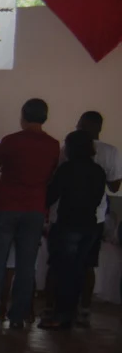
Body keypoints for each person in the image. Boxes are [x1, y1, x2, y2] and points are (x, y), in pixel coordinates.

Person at [0, 100, 51, 329]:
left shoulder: (11, 141)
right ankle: (18, 317)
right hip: (35, 208)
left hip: (7, 206)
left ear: (23, 116)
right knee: (27, 266)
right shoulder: (53, 145)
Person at [40, 130, 109, 329]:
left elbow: (51, 196)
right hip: (90, 225)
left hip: (68, 224)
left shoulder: (67, 169)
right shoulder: (98, 171)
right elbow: (97, 199)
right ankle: (73, 313)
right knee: (79, 270)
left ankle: (60, 315)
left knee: (62, 271)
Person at [67, 112, 121, 325]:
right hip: (96, 215)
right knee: (88, 263)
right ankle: (85, 307)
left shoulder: (69, 148)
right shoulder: (110, 152)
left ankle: (62, 305)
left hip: (68, 213)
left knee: (65, 262)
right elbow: (115, 186)